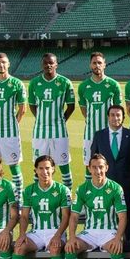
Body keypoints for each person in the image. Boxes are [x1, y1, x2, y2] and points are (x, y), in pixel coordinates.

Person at [63, 154, 128, 259]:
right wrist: (72, 237)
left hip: (109, 232)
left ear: (106, 168)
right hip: (90, 233)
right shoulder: (82, 188)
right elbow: (74, 217)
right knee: (70, 248)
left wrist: (118, 238)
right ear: (89, 169)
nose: (98, 171)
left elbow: (123, 217)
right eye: (94, 167)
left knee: (116, 249)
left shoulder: (115, 188)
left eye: (101, 167)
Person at [10, 155, 71, 259]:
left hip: (56, 231)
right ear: (36, 171)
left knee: (55, 248)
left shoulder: (62, 190)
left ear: (53, 169)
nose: (45, 172)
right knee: (18, 247)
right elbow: (24, 216)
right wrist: (22, 234)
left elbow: (66, 217)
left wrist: (58, 235)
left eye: (48, 168)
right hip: (36, 232)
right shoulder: (29, 190)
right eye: (41, 168)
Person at [89, 104, 130, 241]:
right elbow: (94, 157)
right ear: (108, 117)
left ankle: (129, 243)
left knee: (128, 213)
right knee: (107, 214)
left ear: (123, 117)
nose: (115, 118)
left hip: (126, 182)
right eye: (112, 115)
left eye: (118, 115)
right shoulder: (99, 135)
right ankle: (105, 242)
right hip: (105, 183)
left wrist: (127, 170)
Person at [0, 52, 27, 201]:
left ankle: (18, 200)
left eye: (4, 62)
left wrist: (12, 123)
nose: (1, 65)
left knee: (14, 166)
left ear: (8, 64)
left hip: (10, 134)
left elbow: (22, 109)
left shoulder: (17, 83)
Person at [28, 52, 76, 188]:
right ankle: (37, 195)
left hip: (59, 132)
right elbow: (32, 105)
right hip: (40, 132)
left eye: (51, 63)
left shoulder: (65, 82)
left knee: (64, 165)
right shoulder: (34, 83)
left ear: (56, 64)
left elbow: (71, 106)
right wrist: (40, 118)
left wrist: (61, 120)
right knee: (39, 165)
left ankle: (67, 196)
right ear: (42, 65)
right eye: (45, 63)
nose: (48, 65)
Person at [78, 51, 123, 184]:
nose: (97, 65)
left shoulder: (113, 85)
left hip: (109, 133)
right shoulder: (83, 86)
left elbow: (118, 110)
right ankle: (89, 192)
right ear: (90, 65)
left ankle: (112, 193)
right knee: (89, 165)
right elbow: (83, 109)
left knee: (110, 165)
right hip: (90, 133)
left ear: (104, 64)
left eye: (99, 62)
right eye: (94, 63)